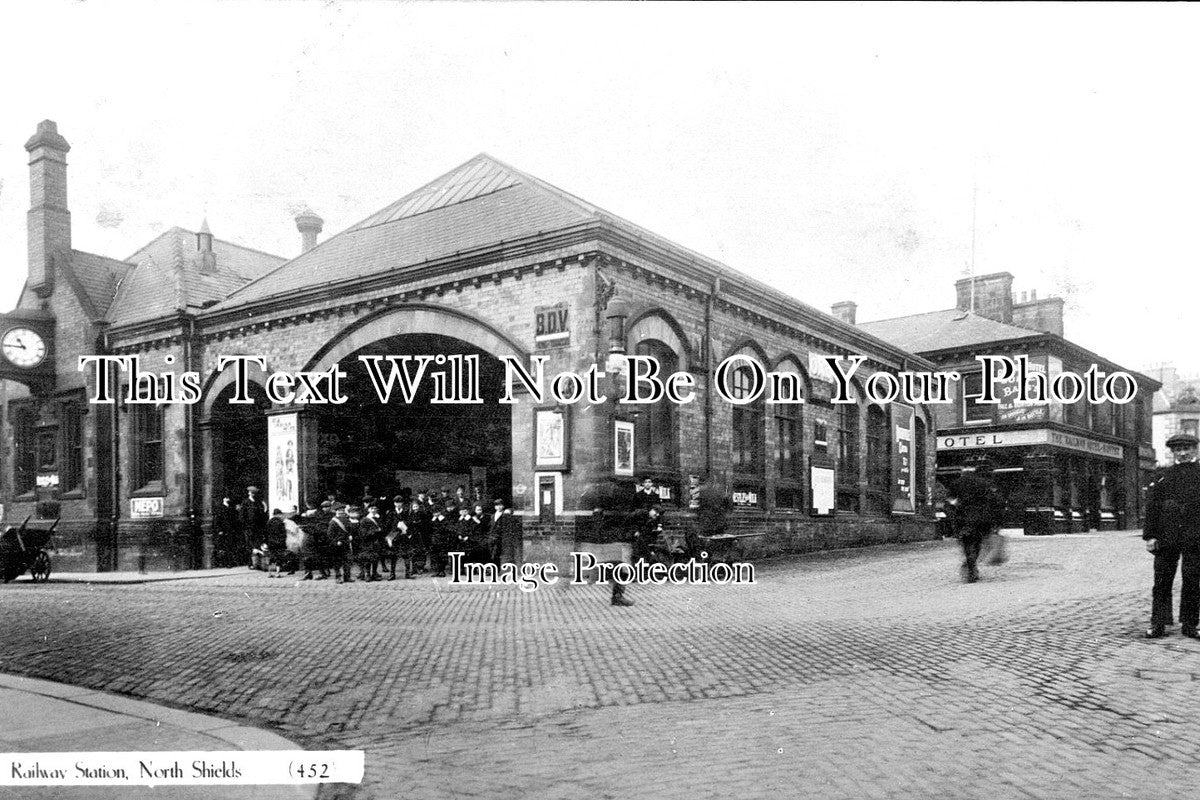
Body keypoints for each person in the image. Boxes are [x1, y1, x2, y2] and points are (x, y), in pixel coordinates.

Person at [1143, 432, 1200, 639]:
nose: (1182, 453)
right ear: (1173, 452)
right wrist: (1150, 536)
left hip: (1195, 536)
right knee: (1161, 581)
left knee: (1193, 580)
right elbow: (1152, 508)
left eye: (1187, 449)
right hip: (1166, 536)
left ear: (1195, 449)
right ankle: (1158, 623)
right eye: (1178, 450)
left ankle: (1190, 624)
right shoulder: (1162, 476)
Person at [947, 459, 1004, 583]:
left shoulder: (956, 483)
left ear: (962, 469)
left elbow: (950, 500)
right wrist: (997, 521)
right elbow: (994, 502)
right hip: (981, 518)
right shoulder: (984, 483)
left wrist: (956, 509)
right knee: (977, 542)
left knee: (966, 542)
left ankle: (970, 563)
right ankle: (972, 564)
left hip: (962, 518)